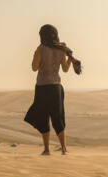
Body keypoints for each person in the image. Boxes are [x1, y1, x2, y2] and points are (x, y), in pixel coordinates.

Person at [24, 24, 72, 155]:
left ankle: (46, 149)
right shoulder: (61, 49)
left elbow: (34, 68)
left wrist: (35, 55)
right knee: (58, 117)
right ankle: (64, 149)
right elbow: (66, 69)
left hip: (42, 87)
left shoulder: (40, 49)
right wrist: (70, 60)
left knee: (43, 117)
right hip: (56, 87)